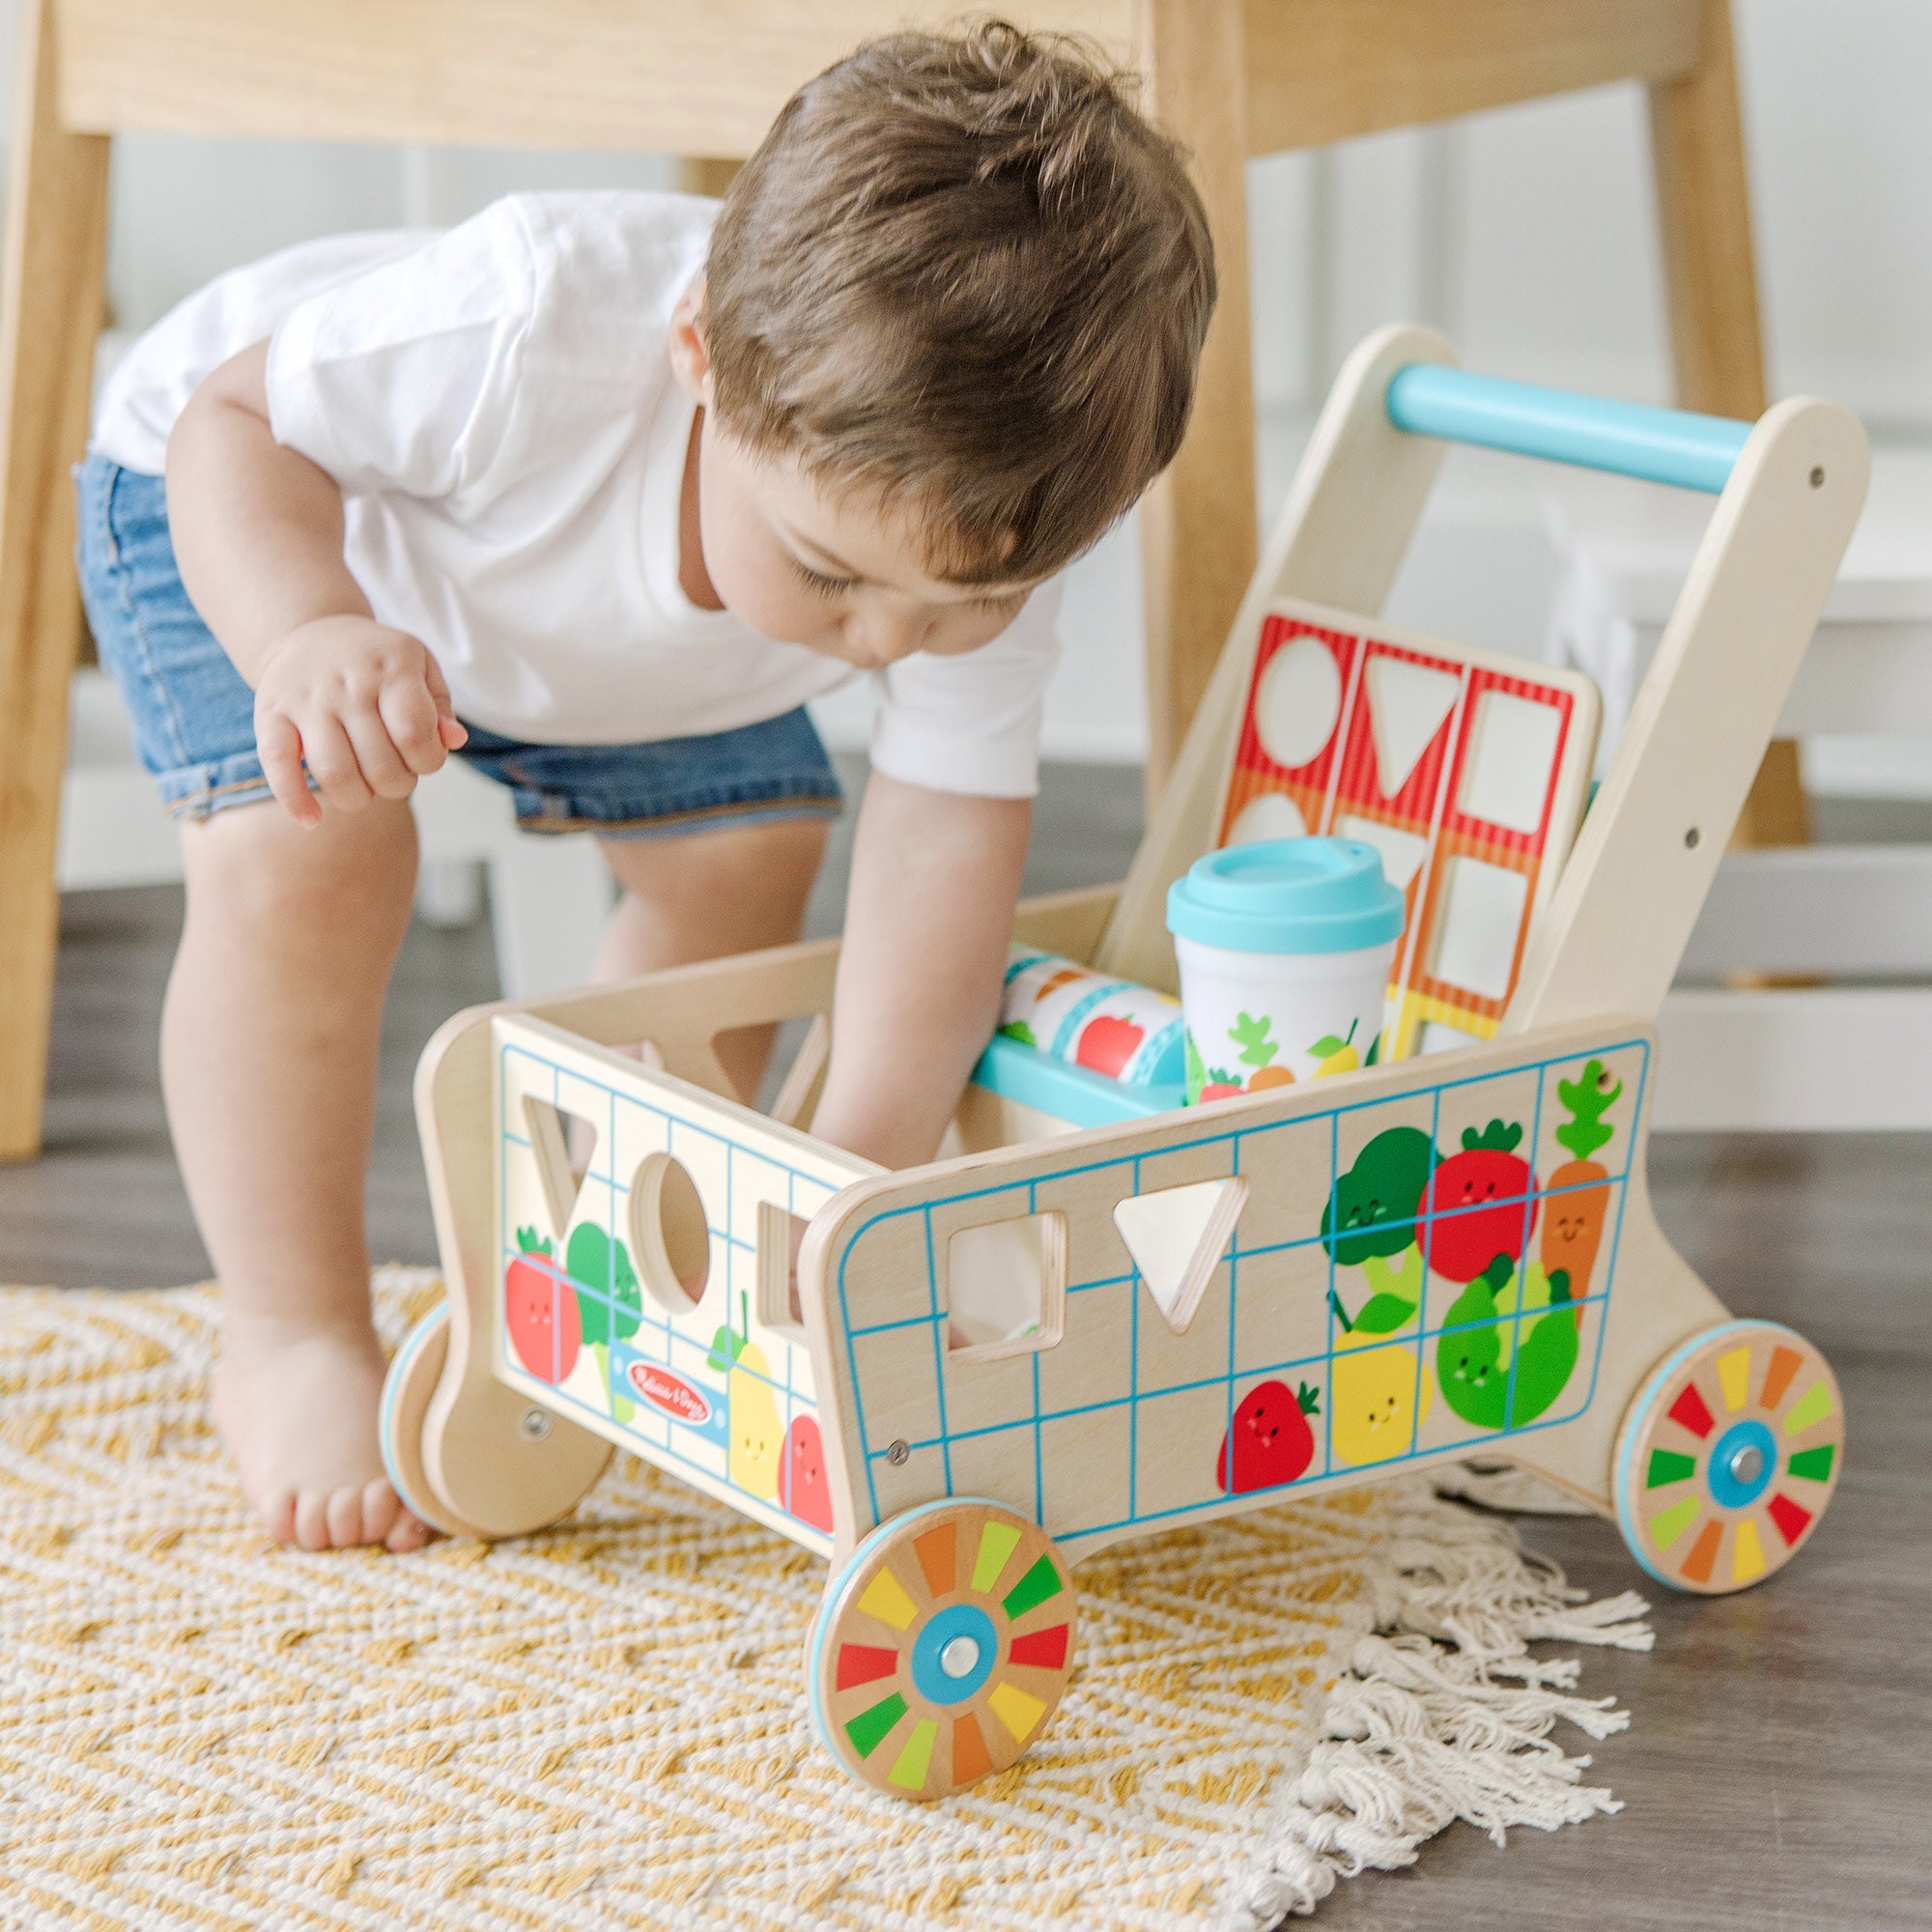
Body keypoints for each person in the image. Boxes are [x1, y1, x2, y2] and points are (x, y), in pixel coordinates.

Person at [76, 21, 1215, 1552]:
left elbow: (940, 862)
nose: (890, 642)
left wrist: (856, 1179)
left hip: (608, 650)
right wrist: (308, 635)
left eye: (958, 612)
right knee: (319, 854)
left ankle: (617, 1238)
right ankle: (289, 1331)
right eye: (834, 573)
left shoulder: (988, 524)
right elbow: (237, 420)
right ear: (698, 362)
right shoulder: (526, 320)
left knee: (753, 853)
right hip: (269, 521)